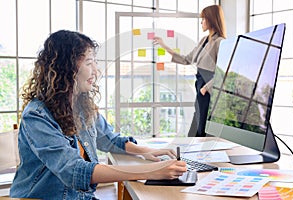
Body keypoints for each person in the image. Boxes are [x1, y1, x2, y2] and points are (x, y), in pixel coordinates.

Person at [10, 30, 186, 199]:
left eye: (95, 62)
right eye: (89, 63)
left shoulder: (82, 106)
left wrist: (148, 152)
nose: (96, 71)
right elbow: (72, 170)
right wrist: (152, 172)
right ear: (67, 68)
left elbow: (109, 139)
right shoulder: (37, 115)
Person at [153, 5, 226, 137]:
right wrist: (164, 45)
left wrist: (206, 88)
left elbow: (223, 72)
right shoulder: (204, 41)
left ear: (211, 19)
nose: (201, 22)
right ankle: (194, 155)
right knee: (197, 126)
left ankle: (203, 155)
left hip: (208, 90)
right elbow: (187, 59)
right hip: (199, 85)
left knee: (201, 128)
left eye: (204, 18)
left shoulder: (220, 42)